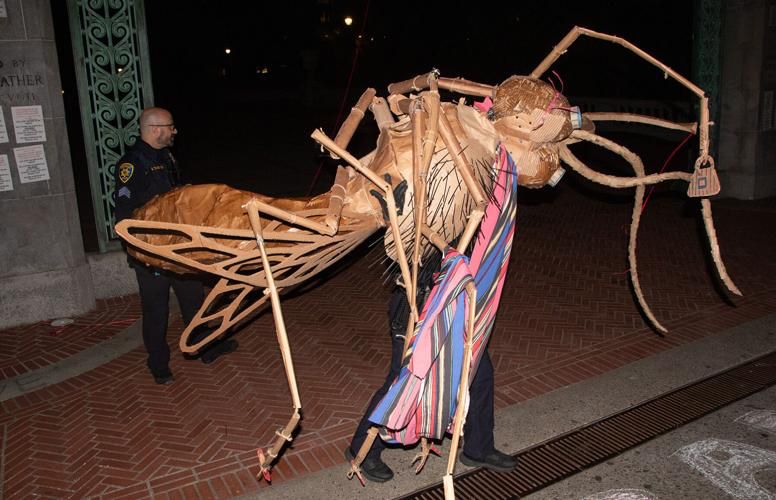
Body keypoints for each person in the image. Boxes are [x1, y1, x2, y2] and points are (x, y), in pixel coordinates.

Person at [346, 247, 517, 482]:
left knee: (480, 372)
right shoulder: (420, 214)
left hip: (459, 302)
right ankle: (362, 449)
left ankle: (479, 448)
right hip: (417, 304)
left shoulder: (470, 211)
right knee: (402, 379)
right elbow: (394, 246)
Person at [114, 107, 238, 385]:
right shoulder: (131, 164)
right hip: (150, 252)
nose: (174, 131)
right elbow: (124, 213)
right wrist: (141, 251)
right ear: (155, 129)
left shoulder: (167, 156)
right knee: (156, 309)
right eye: (170, 126)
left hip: (178, 248)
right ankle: (158, 364)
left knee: (194, 299)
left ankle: (205, 347)